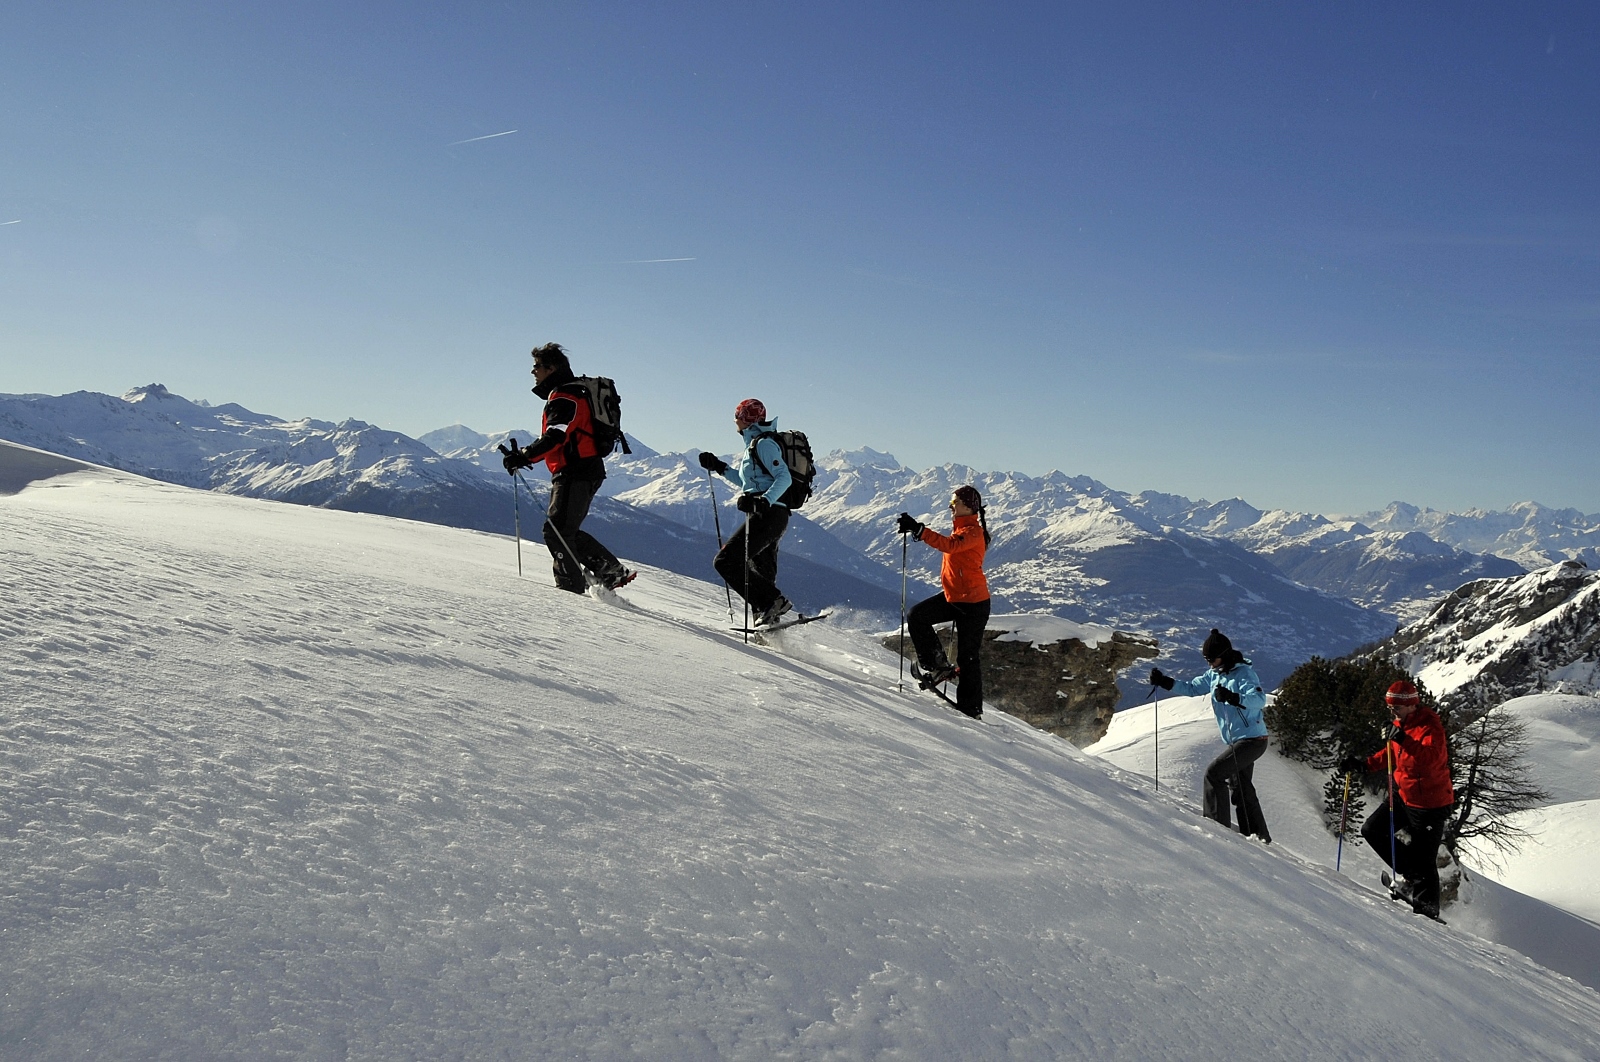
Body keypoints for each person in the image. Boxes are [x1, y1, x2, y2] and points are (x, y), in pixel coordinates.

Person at [501, 343, 634, 594]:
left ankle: (571, 589)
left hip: (576, 470)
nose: (533, 372)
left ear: (552, 369)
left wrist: (524, 456)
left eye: (536, 367)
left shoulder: (564, 397)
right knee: (563, 530)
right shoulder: (573, 393)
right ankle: (609, 569)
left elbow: (556, 436)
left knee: (556, 532)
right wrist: (526, 457)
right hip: (584, 468)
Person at [1342, 680, 1454, 920]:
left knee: (1425, 861)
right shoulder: (1399, 724)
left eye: (1397, 707)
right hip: (1404, 795)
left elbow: (1430, 759)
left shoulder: (1430, 727)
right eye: (1390, 707)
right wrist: (1364, 765)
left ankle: (1427, 913)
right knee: (1372, 829)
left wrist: (1403, 738)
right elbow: (1391, 754)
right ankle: (1411, 876)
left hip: (1429, 804)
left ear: (1412, 705)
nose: (1392, 711)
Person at [1150, 629, 1272, 842]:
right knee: (1241, 788)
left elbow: (1259, 700)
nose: (1209, 664)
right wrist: (1165, 682)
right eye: (1206, 660)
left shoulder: (1244, 674)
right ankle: (1258, 836)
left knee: (1214, 773)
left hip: (1253, 740)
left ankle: (1217, 828)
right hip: (1241, 740)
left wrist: (1233, 697)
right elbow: (1191, 688)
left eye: (1212, 659)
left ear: (1223, 655)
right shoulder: (1214, 675)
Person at [897, 485, 993, 719]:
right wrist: (918, 530)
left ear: (968, 507)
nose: (951, 507)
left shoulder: (973, 533)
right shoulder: (962, 529)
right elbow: (950, 545)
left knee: (968, 657)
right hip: (956, 597)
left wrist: (919, 529)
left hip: (974, 603)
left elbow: (950, 546)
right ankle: (938, 666)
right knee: (916, 616)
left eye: (955, 503)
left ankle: (972, 708)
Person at [697, 399, 795, 627]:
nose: (735, 421)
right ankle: (770, 625)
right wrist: (719, 467)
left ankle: (773, 602)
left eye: (737, 417)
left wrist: (764, 501)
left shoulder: (763, 445)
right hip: (772, 515)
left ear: (745, 419)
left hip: (768, 514)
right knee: (760, 572)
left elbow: (785, 477)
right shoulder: (754, 445)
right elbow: (747, 482)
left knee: (725, 561)